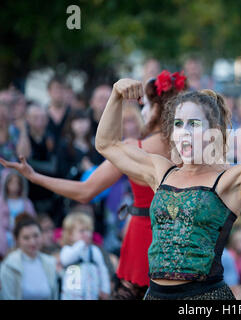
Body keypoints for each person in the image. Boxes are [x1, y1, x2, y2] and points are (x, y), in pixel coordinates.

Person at [95, 79, 241, 300]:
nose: (184, 132)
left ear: (213, 132)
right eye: (178, 124)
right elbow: (106, 144)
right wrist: (116, 95)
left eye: (193, 124)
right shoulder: (160, 171)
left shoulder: (230, 179)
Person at [0, 70, 188, 299]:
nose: (144, 111)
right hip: (183, 237)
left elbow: (84, 191)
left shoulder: (135, 147)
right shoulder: (193, 150)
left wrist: (35, 176)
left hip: (144, 237)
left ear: (160, 109)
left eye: (147, 106)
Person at [0, 213, 58, 299]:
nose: (32, 242)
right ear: (17, 240)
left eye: (36, 236)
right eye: (26, 238)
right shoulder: (9, 265)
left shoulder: (50, 262)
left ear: (41, 235)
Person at [60, 211, 110, 300]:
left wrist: (105, 289)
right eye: (82, 231)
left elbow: (103, 270)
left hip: (91, 294)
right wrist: (80, 244)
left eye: (88, 230)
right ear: (70, 235)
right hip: (71, 296)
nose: (86, 234)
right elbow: (65, 260)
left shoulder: (94, 251)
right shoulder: (68, 249)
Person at [0, 169, 36, 257]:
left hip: (23, 233)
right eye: (11, 183)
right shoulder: (2, 202)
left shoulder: (26, 202)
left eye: (17, 183)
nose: (14, 186)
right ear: (5, 184)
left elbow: (32, 219)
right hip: (6, 234)